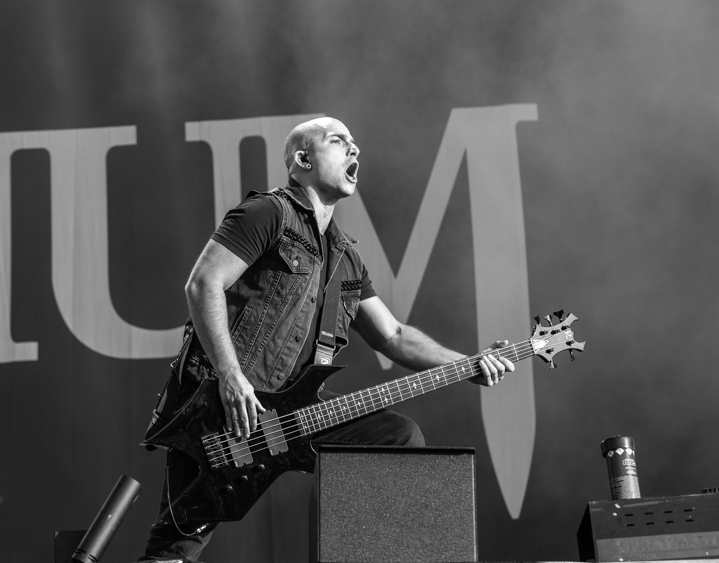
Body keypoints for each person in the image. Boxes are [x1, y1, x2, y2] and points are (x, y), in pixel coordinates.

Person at [139, 117, 514, 562]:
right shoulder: (268, 213)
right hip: (224, 410)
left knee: (396, 436)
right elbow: (203, 285)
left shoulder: (347, 258)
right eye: (338, 141)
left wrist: (468, 363)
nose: (354, 150)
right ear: (302, 160)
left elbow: (393, 335)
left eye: (356, 143)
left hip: (291, 412)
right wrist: (230, 375)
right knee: (175, 550)